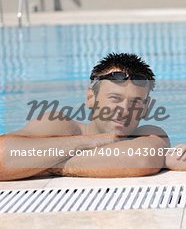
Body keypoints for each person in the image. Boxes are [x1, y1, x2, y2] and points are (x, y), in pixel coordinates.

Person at [0, 53, 169, 180]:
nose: (124, 110)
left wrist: (47, 163)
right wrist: (95, 140)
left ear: (146, 108)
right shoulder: (59, 125)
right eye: (115, 98)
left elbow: (142, 159)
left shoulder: (149, 133)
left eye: (135, 102)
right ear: (91, 97)